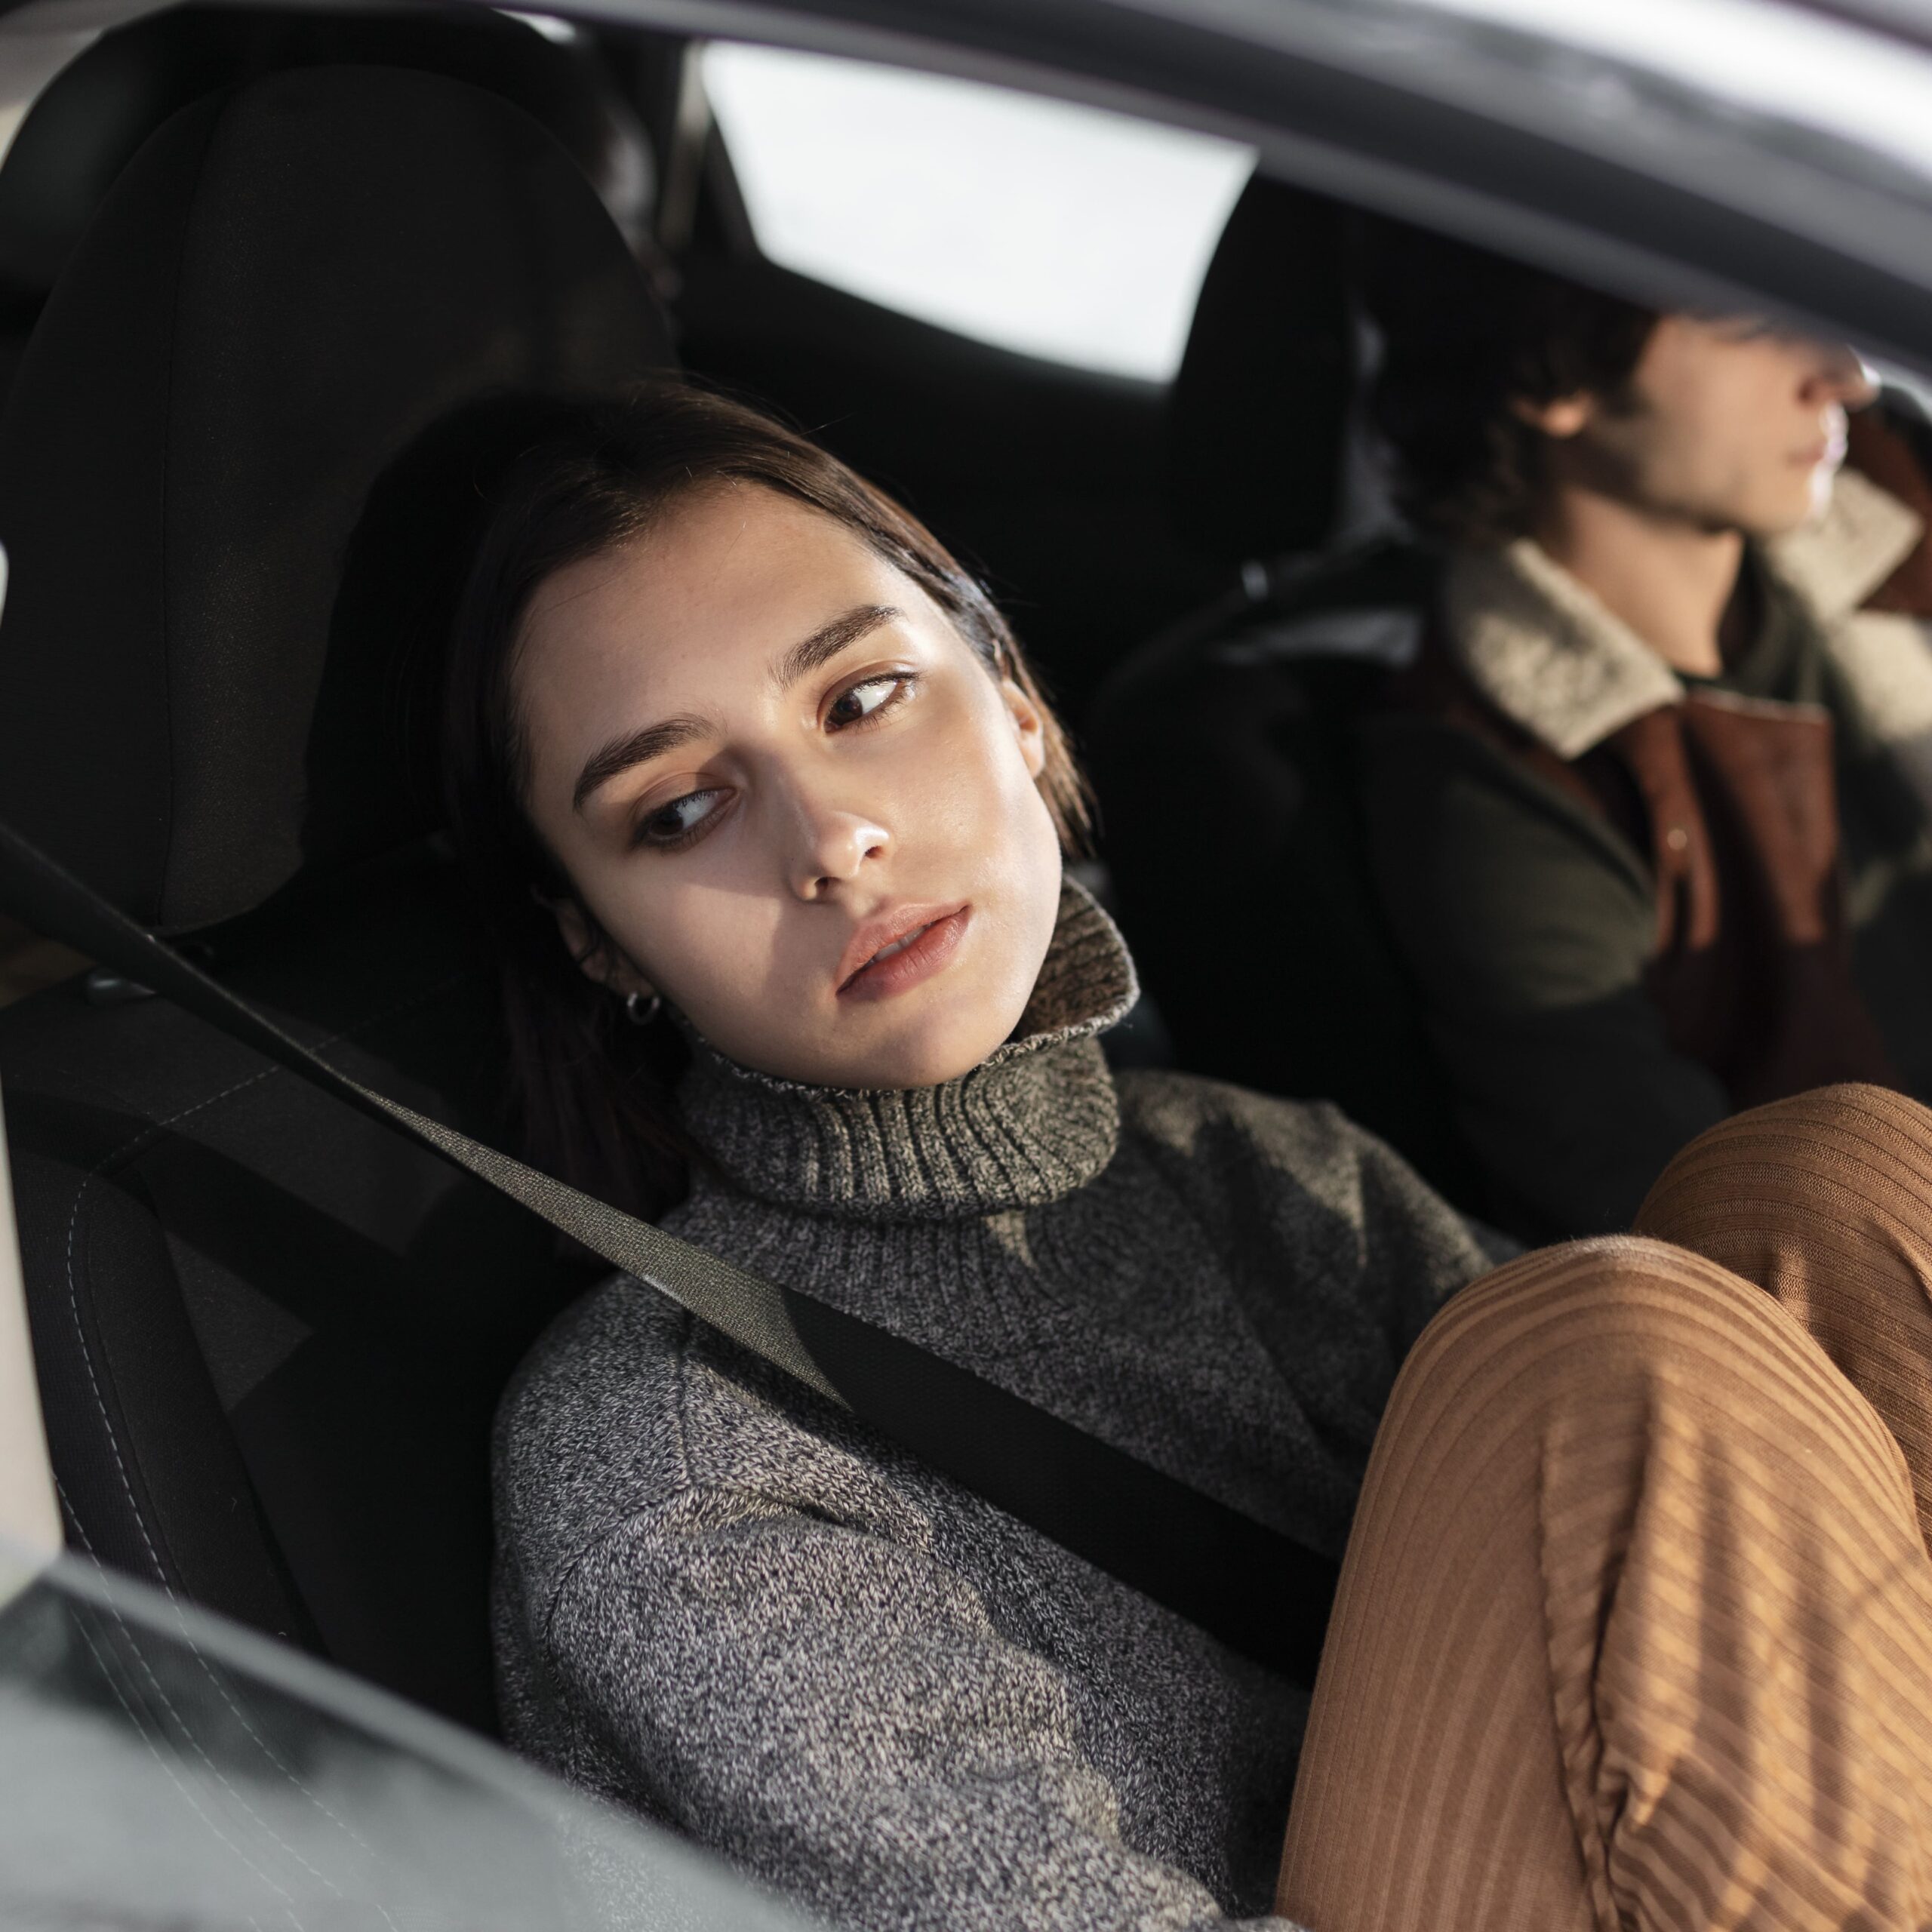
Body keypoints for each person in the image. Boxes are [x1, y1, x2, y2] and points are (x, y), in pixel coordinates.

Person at [443, 382, 1932, 1931]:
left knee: (1832, 1179)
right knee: (1616, 1343)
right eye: (680, 809)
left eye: (861, 699)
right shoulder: (667, 1455)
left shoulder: (1257, 1169)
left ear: (1013, 704)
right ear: (599, 944)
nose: (826, 839)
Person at [1349, 222, 1932, 1237]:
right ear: (1553, 378)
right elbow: (1699, 1242)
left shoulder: (1895, 489)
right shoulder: (1506, 786)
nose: (1843, 374)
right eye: (1754, 322)